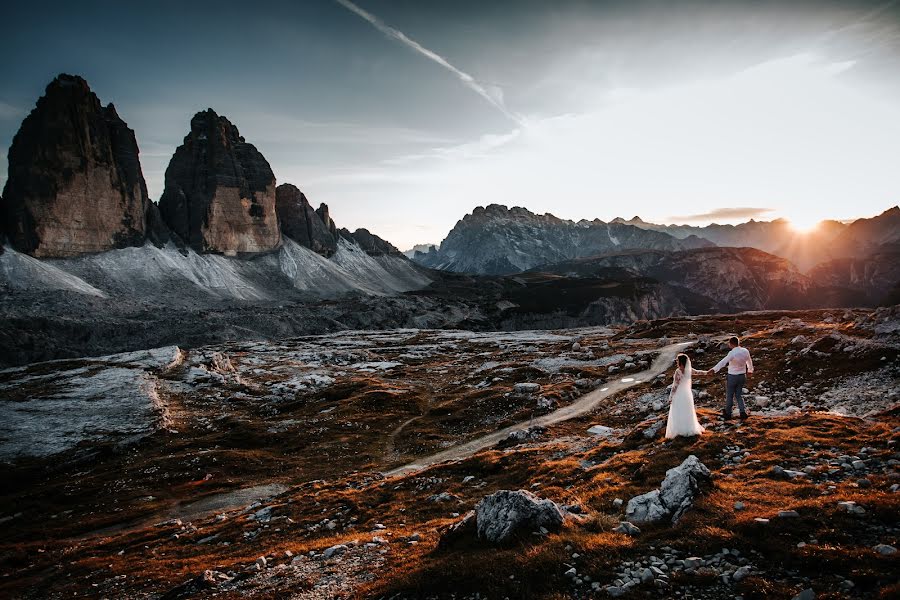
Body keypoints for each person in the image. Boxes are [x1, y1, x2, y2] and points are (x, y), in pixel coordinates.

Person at [665, 353, 707, 438]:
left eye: (677, 360)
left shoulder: (678, 371)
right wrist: (707, 372)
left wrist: (671, 396)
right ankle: (689, 428)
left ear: (680, 362)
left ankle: (680, 430)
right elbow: (698, 372)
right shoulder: (689, 370)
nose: (676, 362)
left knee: (678, 411)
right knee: (687, 411)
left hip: (679, 393)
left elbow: (675, 386)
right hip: (687, 394)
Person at [711, 336, 754, 420]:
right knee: (738, 395)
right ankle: (742, 412)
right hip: (742, 376)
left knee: (730, 395)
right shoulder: (745, 351)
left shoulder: (732, 353)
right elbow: (749, 361)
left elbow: (723, 362)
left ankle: (728, 413)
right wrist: (750, 370)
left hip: (732, 376)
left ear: (731, 344)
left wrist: (714, 369)